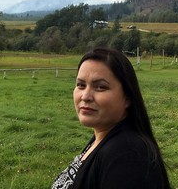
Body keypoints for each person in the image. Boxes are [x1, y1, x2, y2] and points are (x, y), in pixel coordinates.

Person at [51, 47, 171, 189]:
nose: (85, 96)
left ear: (127, 97)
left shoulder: (128, 155)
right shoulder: (102, 138)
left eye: (100, 87)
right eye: (81, 85)